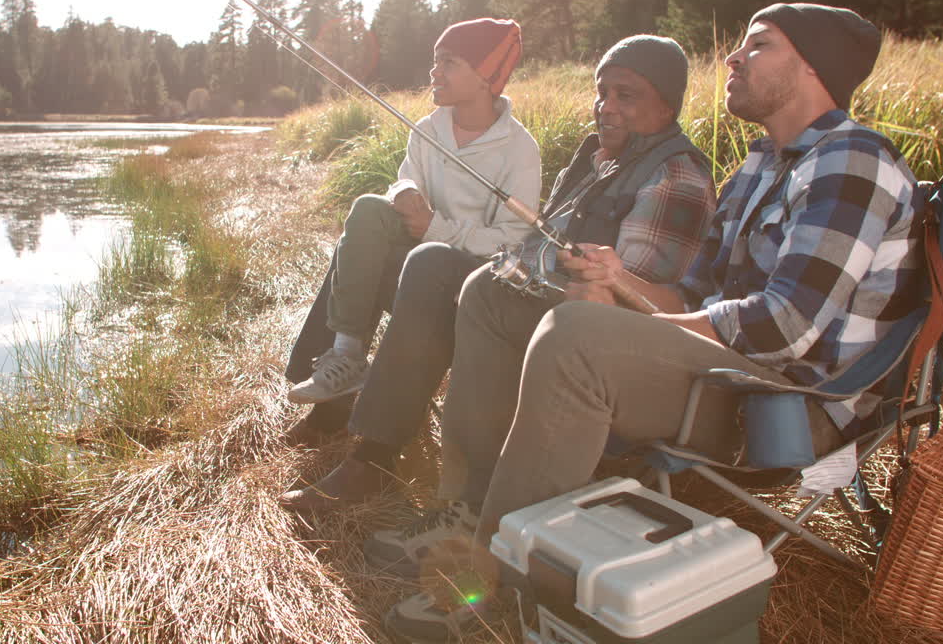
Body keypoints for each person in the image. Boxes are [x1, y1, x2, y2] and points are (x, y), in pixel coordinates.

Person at [380, 3, 924, 643]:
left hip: (789, 403)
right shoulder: (761, 165)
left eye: (759, 45)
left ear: (810, 69)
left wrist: (625, 328)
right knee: (496, 295)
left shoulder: (850, 162)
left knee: (577, 336)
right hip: (731, 371)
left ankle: (496, 581)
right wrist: (617, 283)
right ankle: (467, 507)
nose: (733, 57)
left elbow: (784, 327)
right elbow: (691, 291)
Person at [282, 35, 717, 515]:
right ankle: (335, 403)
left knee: (432, 268)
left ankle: (376, 459)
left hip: (575, 335)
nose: (605, 107)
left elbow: (631, 308)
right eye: (602, 92)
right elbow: (535, 244)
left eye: (626, 95)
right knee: (366, 244)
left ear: (667, 104)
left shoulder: (674, 177)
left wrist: (486, 257)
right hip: (523, 293)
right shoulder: (599, 159)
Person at [281, 17, 540, 447]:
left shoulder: (519, 149)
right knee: (366, 217)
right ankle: (345, 359)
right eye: (434, 61)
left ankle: (334, 408)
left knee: (354, 263)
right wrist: (404, 192)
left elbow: (514, 241)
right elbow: (405, 181)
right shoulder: (428, 129)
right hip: (414, 253)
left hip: (462, 281)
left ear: (485, 77)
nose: (434, 72)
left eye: (449, 62)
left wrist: (436, 228)